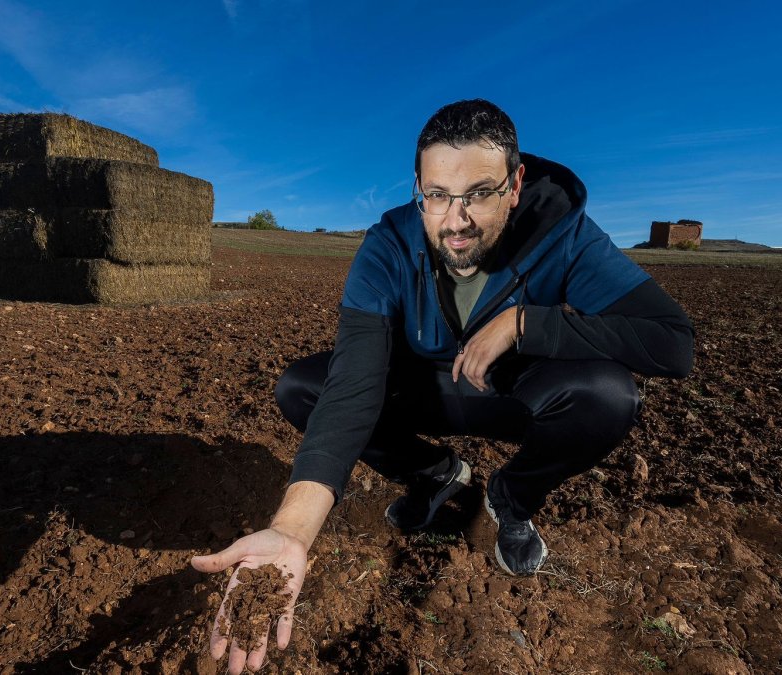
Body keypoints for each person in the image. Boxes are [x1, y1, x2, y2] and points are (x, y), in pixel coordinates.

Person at [191, 99, 694, 673]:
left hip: (512, 393)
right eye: (436, 195)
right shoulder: (388, 244)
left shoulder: (565, 234)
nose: (456, 221)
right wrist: (291, 531)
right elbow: (354, 384)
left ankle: (510, 501)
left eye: (479, 192)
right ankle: (433, 475)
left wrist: (529, 324)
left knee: (609, 395)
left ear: (515, 183)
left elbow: (673, 343)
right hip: (422, 392)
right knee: (304, 385)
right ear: (419, 188)